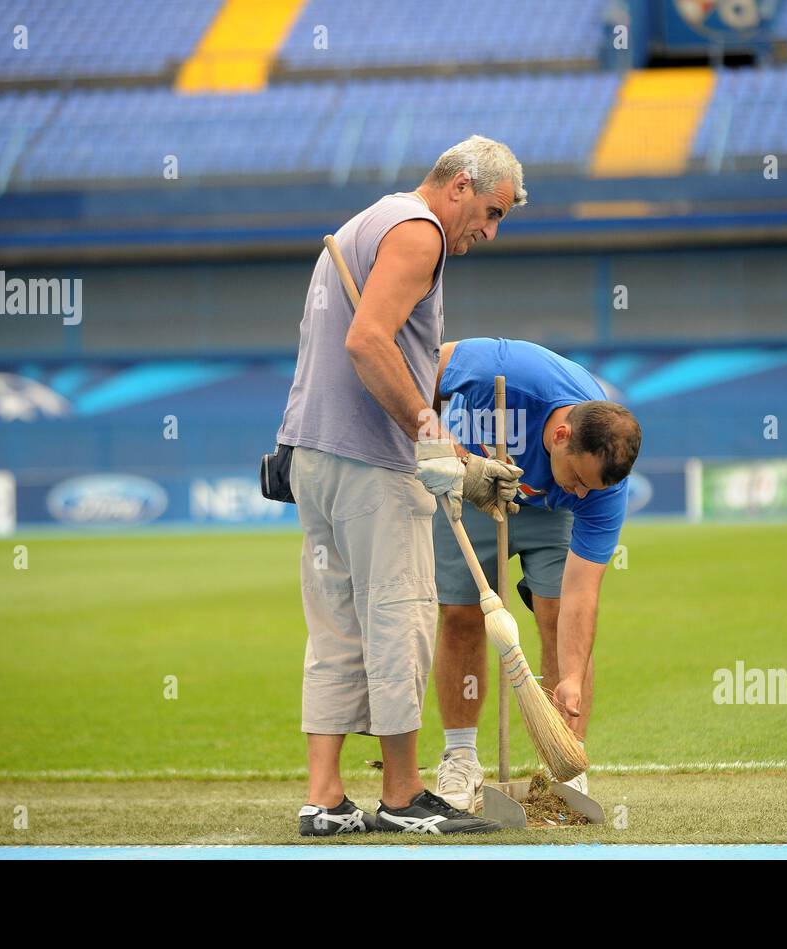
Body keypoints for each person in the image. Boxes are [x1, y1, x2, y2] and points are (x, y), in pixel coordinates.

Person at [275, 137, 526, 836]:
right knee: (400, 618)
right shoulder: (420, 234)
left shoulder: (367, 223)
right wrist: (431, 434)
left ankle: (323, 798)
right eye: (491, 211)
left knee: (336, 630)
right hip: (369, 466)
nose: (490, 230)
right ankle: (402, 792)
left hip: (312, 454)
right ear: (460, 187)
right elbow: (367, 341)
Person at [430, 338, 642, 811]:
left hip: (549, 509)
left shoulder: (599, 492)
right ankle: (461, 758)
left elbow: (583, 593)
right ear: (561, 436)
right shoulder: (501, 368)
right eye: (581, 479)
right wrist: (439, 445)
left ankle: (566, 765)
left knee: (557, 610)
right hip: (471, 482)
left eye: (596, 488)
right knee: (462, 617)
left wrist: (569, 678)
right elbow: (420, 361)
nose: (586, 496)